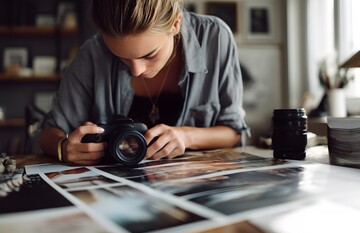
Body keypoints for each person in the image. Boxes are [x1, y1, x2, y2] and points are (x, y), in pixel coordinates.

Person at [39, 0, 248, 165]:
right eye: (121, 57)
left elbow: (234, 133)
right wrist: (64, 147)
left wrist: (186, 136)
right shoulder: (92, 54)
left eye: (149, 55)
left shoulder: (215, 38)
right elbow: (48, 133)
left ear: (176, 23)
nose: (136, 70)